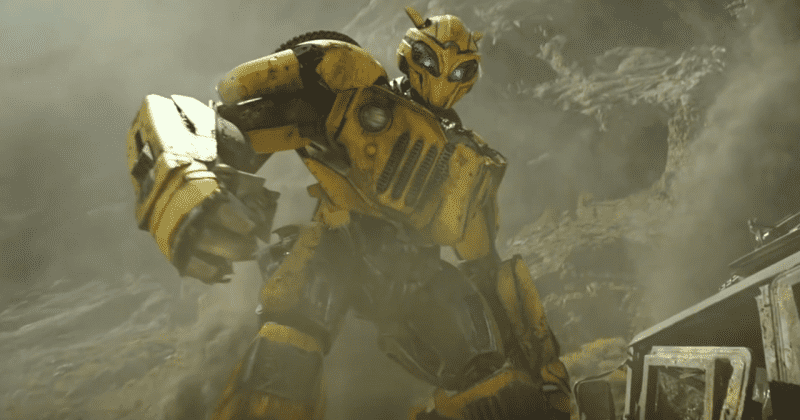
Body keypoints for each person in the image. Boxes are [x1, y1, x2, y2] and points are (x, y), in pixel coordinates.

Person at [126, 7, 572, 420]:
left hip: (415, 274)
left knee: (487, 373)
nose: (443, 77)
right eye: (430, 59)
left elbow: (489, 270)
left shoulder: (469, 160)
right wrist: (187, 172)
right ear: (410, 53)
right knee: (288, 348)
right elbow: (235, 118)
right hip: (338, 245)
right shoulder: (353, 89)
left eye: (460, 70)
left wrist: (545, 373)